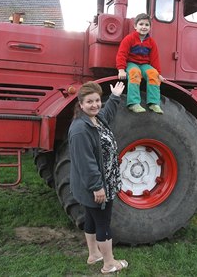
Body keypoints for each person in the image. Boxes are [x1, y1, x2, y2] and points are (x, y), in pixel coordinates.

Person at [68, 80, 129, 274]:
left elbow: (107, 113)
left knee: (92, 220)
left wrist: (114, 97)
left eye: (97, 100)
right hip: (98, 185)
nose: (94, 105)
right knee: (103, 223)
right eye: (89, 102)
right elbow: (86, 163)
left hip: (103, 181)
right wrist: (97, 187)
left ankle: (94, 254)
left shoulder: (95, 119)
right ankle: (109, 263)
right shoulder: (80, 129)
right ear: (80, 104)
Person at [116, 13, 165, 114]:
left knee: (153, 74)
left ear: (150, 27)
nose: (144, 27)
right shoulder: (129, 39)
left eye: (147, 25)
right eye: (141, 24)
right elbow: (122, 54)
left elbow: (154, 59)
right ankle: (133, 103)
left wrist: (158, 74)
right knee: (135, 72)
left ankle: (154, 103)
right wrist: (121, 69)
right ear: (135, 26)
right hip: (131, 63)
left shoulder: (151, 42)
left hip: (144, 65)